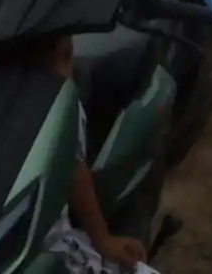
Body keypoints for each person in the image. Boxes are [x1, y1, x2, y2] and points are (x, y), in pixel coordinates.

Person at [44, 36, 157, 272]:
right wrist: (102, 240)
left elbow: (73, 165)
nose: (70, 70)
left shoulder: (60, 109)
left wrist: (102, 240)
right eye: (66, 57)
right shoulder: (56, 107)